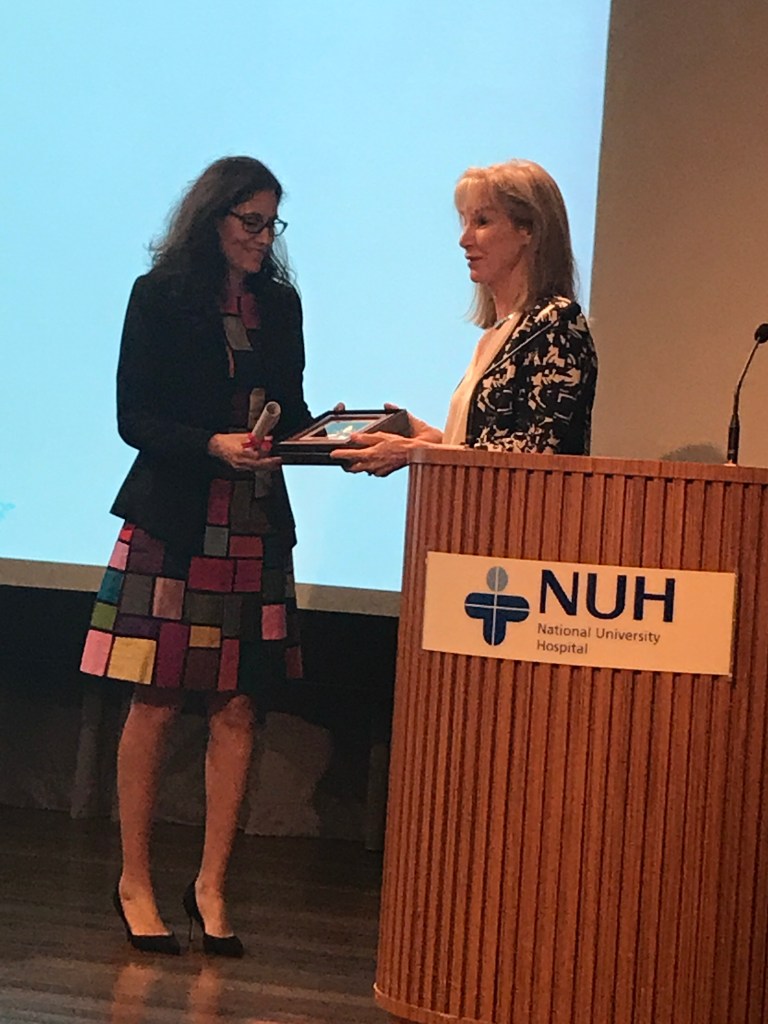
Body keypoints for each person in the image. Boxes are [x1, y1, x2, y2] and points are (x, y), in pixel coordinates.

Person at [80, 156, 313, 956]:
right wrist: (214, 444)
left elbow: (293, 409)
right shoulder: (159, 296)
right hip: (177, 519)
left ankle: (211, 884)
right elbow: (134, 418)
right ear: (213, 219)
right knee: (155, 700)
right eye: (251, 221)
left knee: (240, 706)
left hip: (253, 521)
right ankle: (134, 881)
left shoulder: (280, 305)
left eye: (272, 223)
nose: (263, 238)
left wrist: (335, 441)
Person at [331, 159, 597, 475]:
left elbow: (536, 455)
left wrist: (416, 453)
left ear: (528, 229)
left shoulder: (555, 323)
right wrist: (435, 442)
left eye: (482, 222)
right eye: (464, 222)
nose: (464, 239)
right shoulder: (499, 332)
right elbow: (489, 448)